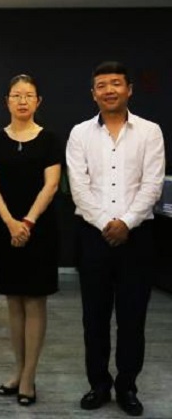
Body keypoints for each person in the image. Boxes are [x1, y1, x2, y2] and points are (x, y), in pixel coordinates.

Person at [66, 61, 165, 417]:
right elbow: (78, 187)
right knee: (94, 318)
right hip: (92, 237)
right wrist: (106, 223)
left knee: (132, 319)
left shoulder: (150, 132)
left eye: (116, 83)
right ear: (93, 93)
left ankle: (127, 386)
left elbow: (152, 184)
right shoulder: (80, 133)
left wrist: (126, 222)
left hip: (137, 238)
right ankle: (98, 384)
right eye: (102, 85)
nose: (109, 90)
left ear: (129, 89)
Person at [0, 74, 62, 407]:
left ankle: (29, 376)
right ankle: (17, 370)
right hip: (6, 229)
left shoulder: (49, 140)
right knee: (13, 301)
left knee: (35, 302)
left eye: (29, 95)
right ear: (7, 101)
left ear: (38, 101)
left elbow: (51, 185)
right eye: (16, 95)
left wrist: (26, 222)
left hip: (39, 230)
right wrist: (10, 223)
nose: (23, 100)